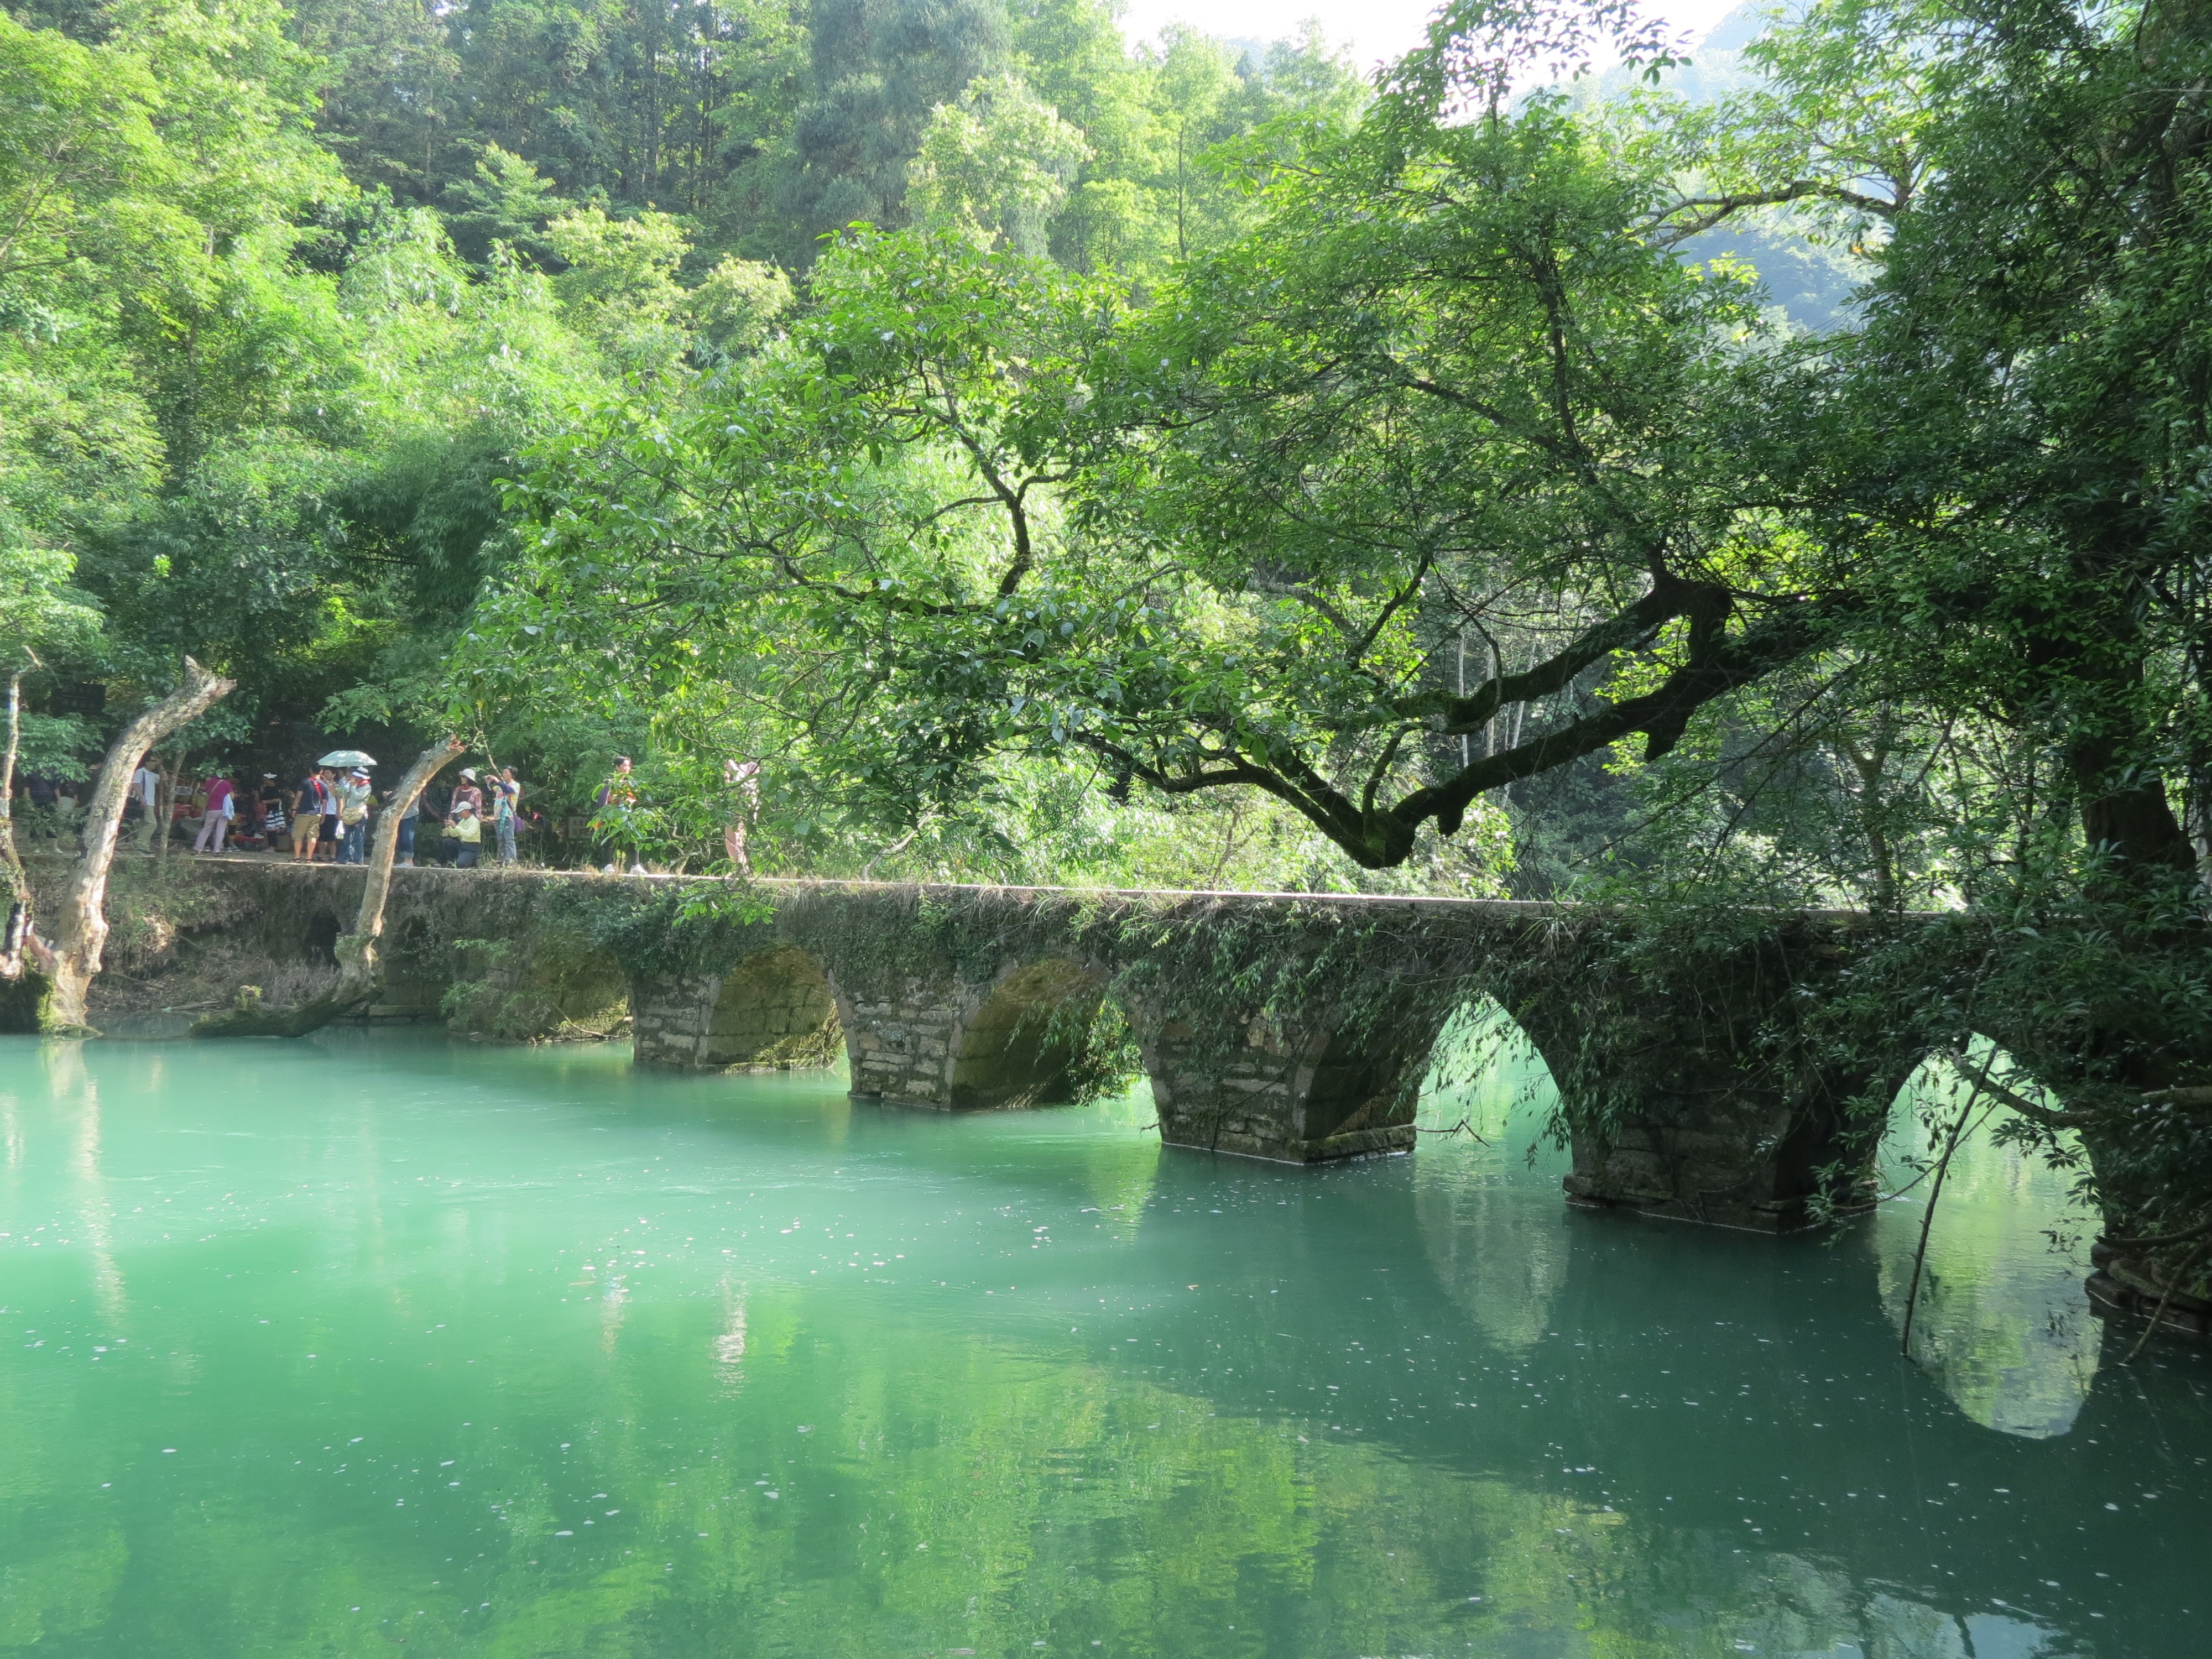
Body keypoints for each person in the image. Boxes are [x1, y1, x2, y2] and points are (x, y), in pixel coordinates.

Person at [596, 755, 642, 874]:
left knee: (633, 838)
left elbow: (634, 798)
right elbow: (606, 798)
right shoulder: (610, 782)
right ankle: (608, 865)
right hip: (612, 814)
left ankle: (636, 865)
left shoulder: (630, 783)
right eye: (624, 765)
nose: (627, 768)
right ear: (617, 767)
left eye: (629, 765)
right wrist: (617, 799)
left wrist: (630, 800)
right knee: (609, 839)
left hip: (627, 814)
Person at [723, 757, 760, 875]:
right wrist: (727, 779)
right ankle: (740, 868)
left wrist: (733, 768)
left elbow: (740, 787)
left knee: (734, 840)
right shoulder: (748, 782)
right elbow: (731, 793)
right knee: (732, 840)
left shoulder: (750, 782)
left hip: (739, 813)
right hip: (736, 812)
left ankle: (741, 869)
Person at [333, 767, 372, 865]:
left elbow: (358, 797)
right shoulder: (353, 785)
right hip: (349, 813)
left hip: (359, 813)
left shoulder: (367, 787)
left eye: (356, 776)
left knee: (358, 837)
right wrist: (339, 787)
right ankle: (345, 859)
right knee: (347, 837)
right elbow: (346, 796)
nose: (354, 778)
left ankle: (358, 860)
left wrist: (353, 787)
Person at [291, 768, 330, 861]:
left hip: (303, 813)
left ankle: (297, 857)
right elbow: (324, 803)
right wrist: (323, 815)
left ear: (310, 771)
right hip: (316, 814)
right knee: (313, 836)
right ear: (321, 772)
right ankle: (309, 858)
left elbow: (298, 796)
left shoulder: (305, 782)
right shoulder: (324, 785)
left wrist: (294, 808)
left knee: (298, 836)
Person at [192, 771, 235, 854]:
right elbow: (232, 796)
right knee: (221, 830)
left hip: (211, 809)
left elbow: (207, 793)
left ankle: (198, 849)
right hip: (223, 810)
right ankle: (217, 851)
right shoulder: (226, 783)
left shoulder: (209, 782)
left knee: (206, 829)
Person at [492, 766, 521, 867]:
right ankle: (503, 860)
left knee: (509, 839)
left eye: (506, 772)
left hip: (508, 816)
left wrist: (498, 781)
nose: (504, 774)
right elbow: (489, 790)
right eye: (503, 772)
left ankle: (512, 861)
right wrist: (489, 782)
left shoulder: (515, 785)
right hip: (498, 816)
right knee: (501, 839)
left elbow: (508, 790)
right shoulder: (501, 786)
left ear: (512, 774)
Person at [130, 760, 160, 853]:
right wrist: (142, 797)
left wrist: (161, 765)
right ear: (147, 762)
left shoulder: (153, 775)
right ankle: (141, 846)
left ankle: (139, 840)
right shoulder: (141, 772)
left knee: (145, 823)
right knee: (152, 824)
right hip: (145, 802)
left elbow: (165, 779)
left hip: (151, 802)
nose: (155, 763)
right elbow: (135, 784)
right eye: (153, 761)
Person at [446, 797, 483, 868]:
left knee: (460, 864)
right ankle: (450, 863)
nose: (459, 814)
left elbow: (469, 834)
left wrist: (456, 827)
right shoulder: (462, 821)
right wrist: (450, 827)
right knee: (448, 842)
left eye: (461, 812)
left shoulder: (475, 821)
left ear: (467, 811)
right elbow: (454, 835)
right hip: (462, 845)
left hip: (472, 847)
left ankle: (472, 862)